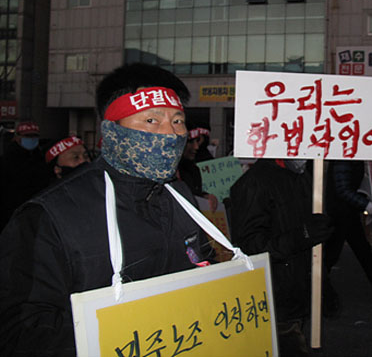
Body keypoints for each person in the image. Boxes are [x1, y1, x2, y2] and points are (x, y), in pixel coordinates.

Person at [0, 63, 216, 356]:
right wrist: (125, 330)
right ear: (112, 131)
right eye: (151, 120)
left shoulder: (180, 197)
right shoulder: (49, 216)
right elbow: (20, 331)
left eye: (178, 121)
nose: (170, 133)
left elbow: (204, 265)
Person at [229, 158, 333, 356]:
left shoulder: (301, 174)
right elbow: (250, 248)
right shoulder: (254, 182)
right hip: (276, 303)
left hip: (298, 295)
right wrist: (303, 235)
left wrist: (324, 287)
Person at [323, 160, 372, 316]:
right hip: (341, 212)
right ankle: (313, 284)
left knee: (358, 249)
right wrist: (364, 204)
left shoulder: (352, 158)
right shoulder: (345, 159)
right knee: (337, 252)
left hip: (345, 211)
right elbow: (342, 189)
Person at [0, 121, 51, 231]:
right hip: (12, 212)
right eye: (27, 136)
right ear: (17, 137)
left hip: (36, 211)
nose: (32, 139)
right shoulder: (8, 160)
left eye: (34, 136)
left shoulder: (41, 158)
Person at [178, 126, 218, 211]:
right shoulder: (169, 173)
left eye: (197, 141)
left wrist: (205, 197)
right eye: (190, 142)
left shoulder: (194, 170)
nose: (196, 147)